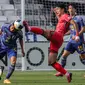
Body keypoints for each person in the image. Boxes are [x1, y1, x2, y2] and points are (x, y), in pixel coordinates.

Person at [23, 3, 80, 83]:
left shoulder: (66, 16)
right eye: (56, 9)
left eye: (58, 9)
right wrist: (55, 12)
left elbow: (75, 24)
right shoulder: (61, 17)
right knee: (51, 62)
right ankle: (67, 74)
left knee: (46, 32)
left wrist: (77, 35)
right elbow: (60, 18)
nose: (57, 10)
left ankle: (29, 28)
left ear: (63, 9)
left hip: (58, 36)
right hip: (57, 41)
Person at [55, 4, 85, 77]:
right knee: (64, 55)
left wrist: (77, 35)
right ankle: (62, 71)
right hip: (71, 41)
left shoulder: (79, 18)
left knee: (83, 57)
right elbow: (71, 30)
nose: (70, 10)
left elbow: (83, 29)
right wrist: (64, 34)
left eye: (71, 8)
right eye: (69, 8)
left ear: (75, 10)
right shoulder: (69, 19)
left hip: (78, 42)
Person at [0, 20, 25, 84]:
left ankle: (6, 79)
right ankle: (0, 68)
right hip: (2, 45)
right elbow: (0, 32)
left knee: (13, 61)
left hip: (11, 48)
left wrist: (22, 50)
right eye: (14, 29)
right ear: (13, 25)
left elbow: (20, 40)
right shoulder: (5, 26)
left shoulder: (19, 32)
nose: (14, 30)